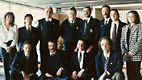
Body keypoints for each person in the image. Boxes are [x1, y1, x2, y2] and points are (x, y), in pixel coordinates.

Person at [121, 10, 142, 80]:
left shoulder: (140, 26)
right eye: (129, 16)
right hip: (127, 56)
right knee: (129, 74)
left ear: (136, 17)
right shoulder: (124, 28)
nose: (130, 18)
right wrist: (124, 52)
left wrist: (132, 52)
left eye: (132, 16)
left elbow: (140, 41)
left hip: (136, 55)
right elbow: (122, 41)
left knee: (136, 74)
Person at [0, 12, 18, 80]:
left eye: (11, 18)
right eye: (8, 17)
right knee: (5, 65)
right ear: (5, 18)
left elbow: (16, 38)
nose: (9, 19)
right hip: (3, 47)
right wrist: (5, 47)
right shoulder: (1, 27)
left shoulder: (15, 26)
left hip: (12, 46)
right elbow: (0, 40)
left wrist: (11, 46)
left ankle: (12, 78)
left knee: (13, 64)